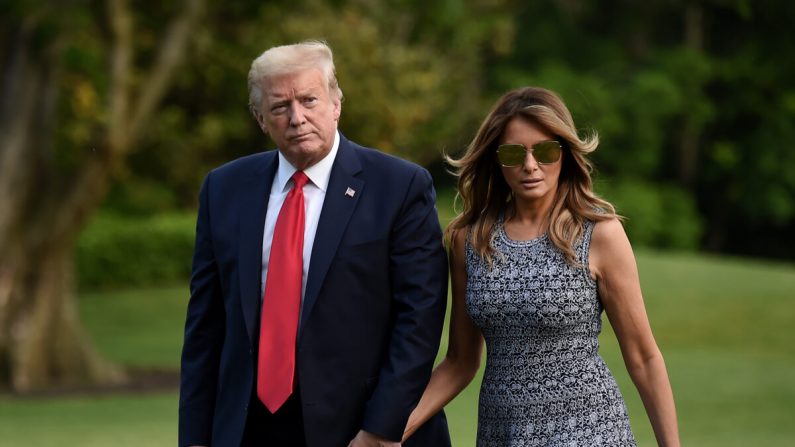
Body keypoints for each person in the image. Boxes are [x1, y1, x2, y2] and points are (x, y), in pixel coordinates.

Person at [178, 41, 451, 447]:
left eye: (309, 100)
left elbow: (420, 319)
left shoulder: (399, 186)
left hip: (359, 429)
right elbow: (205, 326)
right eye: (279, 107)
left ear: (336, 103)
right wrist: (195, 438)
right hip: (248, 429)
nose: (297, 117)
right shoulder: (224, 189)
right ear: (260, 118)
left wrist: (381, 429)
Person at [402, 87, 680, 446]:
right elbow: (460, 362)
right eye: (514, 153)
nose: (530, 165)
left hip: (589, 432)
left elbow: (643, 357)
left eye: (546, 151)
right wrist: (391, 433)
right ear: (496, 159)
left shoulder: (600, 234)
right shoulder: (468, 241)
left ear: (565, 154)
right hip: (502, 435)